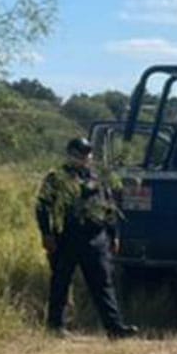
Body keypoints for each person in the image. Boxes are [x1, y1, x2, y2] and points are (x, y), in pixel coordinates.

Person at [36, 137, 138, 338]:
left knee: (103, 283)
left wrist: (114, 235)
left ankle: (115, 328)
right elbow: (42, 207)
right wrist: (46, 234)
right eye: (80, 154)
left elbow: (109, 207)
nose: (84, 158)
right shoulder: (56, 178)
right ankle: (55, 326)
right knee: (61, 282)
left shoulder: (97, 177)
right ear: (70, 154)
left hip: (96, 238)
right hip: (66, 237)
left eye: (87, 154)